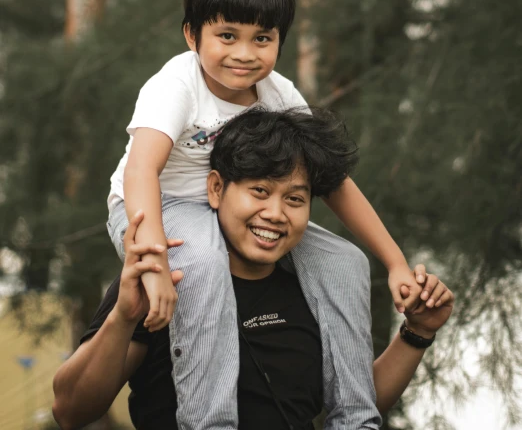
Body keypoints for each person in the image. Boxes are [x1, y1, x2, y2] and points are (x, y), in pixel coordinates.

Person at [106, 0, 435, 430]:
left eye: (262, 38)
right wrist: (153, 262)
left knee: (345, 263)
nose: (244, 53)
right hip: (156, 206)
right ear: (191, 34)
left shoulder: (278, 94)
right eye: (226, 36)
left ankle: (355, 419)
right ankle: (211, 421)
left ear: (280, 39)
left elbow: (334, 182)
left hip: (232, 204)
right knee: (202, 262)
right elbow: (141, 173)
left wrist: (395, 261)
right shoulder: (175, 85)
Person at [56, 109, 454, 430]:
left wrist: (418, 332)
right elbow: (70, 410)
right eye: (259, 192)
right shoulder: (166, 277)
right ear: (216, 189)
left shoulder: (317, 286)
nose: (276, 214)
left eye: (295, 199)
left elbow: (355, 404)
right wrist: (123, 319)